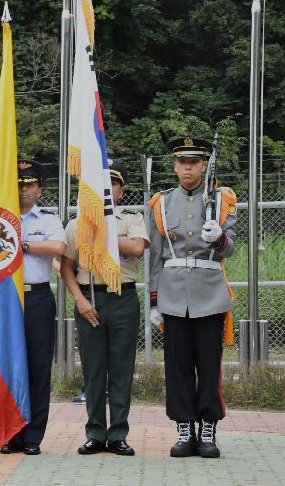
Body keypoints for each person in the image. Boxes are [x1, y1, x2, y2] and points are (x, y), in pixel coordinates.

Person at [147, 137, 237, 458]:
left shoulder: (221, 200)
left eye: (194, 162)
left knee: (209, 366)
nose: (188, 167)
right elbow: (155, 256)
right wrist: (154, 301)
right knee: (178, 366)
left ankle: (208, 429)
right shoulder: (160, 203)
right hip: (172, 295)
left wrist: (219, 237)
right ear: (174, 166)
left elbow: (231, 247)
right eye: (182, 162)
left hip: (209, 293)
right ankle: (185, 429)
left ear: (203, 166)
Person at [62, 159, 148, 456]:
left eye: (112, 184)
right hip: (90, 300)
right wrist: (80, 300)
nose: (107, 189)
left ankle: (119, 434)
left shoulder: (131, 218)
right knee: (94, 370)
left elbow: (137, 248)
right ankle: (96, 433)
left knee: (122, 370)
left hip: (122, 299)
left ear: (121, 191)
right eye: (100, 184)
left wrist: (105, 233)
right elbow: (66, 268)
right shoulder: (77, 224)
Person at [0, 159, 66, 456]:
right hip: (9, 298)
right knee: (11, 367)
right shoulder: (2, 220)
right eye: (19, 185)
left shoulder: (47, 220)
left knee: (38, 367)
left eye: (29, 185)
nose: (23, 190)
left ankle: (33, 436)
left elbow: (58, 248)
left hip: (37, 297)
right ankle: (11, 432)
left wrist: (22, 245)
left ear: (39, 190)